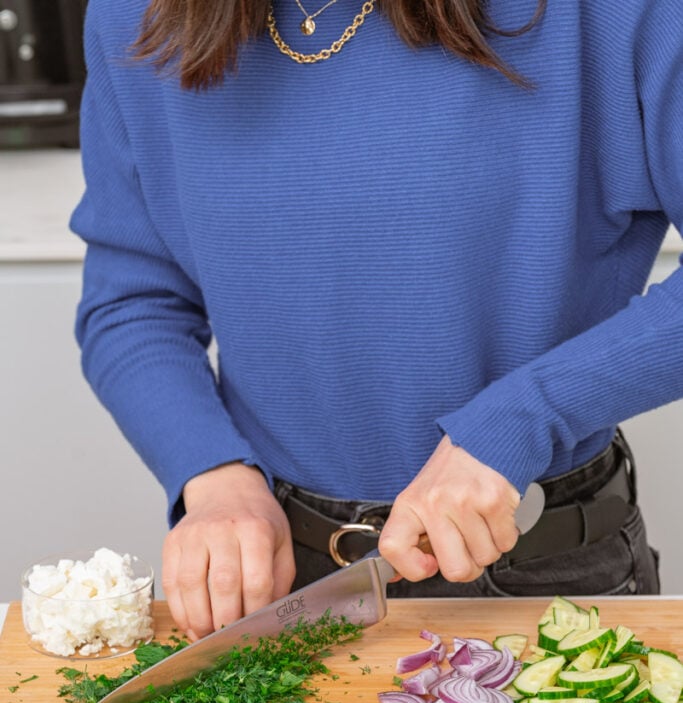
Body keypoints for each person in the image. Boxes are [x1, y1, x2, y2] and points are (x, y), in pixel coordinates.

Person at [71, 0, 682, 641]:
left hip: (541, 566)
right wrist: (213, 476)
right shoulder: (132, 16)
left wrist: (521, 419)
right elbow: (133, 304)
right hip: (279, 576)